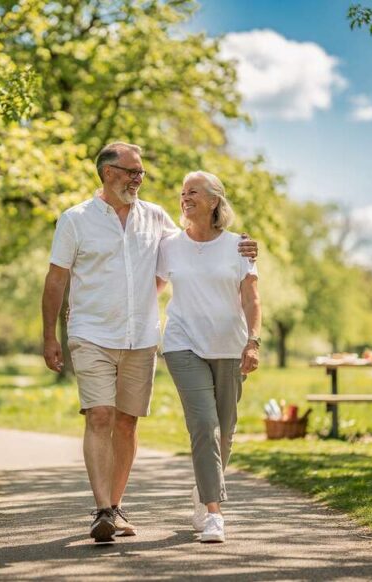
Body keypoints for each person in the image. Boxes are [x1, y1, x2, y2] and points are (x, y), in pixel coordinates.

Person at [41, 143, 257, 543]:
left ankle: (117, 508)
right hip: (91, 332)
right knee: (100, 415)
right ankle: (103, 509)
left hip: (141, 335)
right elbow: (56, 279)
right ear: (109, 173)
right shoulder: (75, 220)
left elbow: (198, 246)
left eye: (141, 173)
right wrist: (49, 335)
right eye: (132, 172)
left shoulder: (155, 217)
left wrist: (241, 247)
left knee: (126, 421)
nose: (139, 179)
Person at [157, 171, 262, 543]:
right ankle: (216, 514)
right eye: (183, 192)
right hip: (182, 343)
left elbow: (251, 299)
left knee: (226, 430)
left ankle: (203, 493)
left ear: (214, 200)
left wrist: (253, 342)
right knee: (204, 425)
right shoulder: (169, 245)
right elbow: (149, 289)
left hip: (230, 347)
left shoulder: (239, 246)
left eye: (194, 192)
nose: (186, 198)